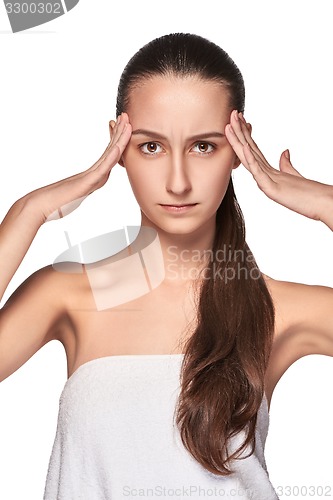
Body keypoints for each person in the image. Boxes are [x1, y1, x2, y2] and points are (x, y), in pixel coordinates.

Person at [0, 32, 332, 500]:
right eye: (151, 147)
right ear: (117, 149)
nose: (177, 182)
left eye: (204, 147)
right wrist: (29, 211)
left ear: (239, 150)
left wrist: (324, 203)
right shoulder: (69, 295)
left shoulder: (278, 308)